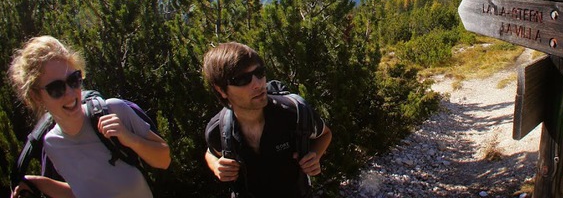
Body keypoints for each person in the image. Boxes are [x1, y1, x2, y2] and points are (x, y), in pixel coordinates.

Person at [7, 36, 171, 198]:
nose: (70, 94)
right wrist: (36, 182)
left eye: (73, 80)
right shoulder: (52, 144)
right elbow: (83, 191)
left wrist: (129, 139)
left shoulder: (113, 110)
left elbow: (164, 160)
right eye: (56, 88)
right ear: (37, 97)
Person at [202, 42, 332, 198]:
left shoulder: (294, 112)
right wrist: (216, 165)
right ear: (221, 90)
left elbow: (325, 134)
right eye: (243, 79)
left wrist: (314, 155)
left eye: (259, 72)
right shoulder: (219, 129)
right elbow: (210, 152)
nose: (258, 84)